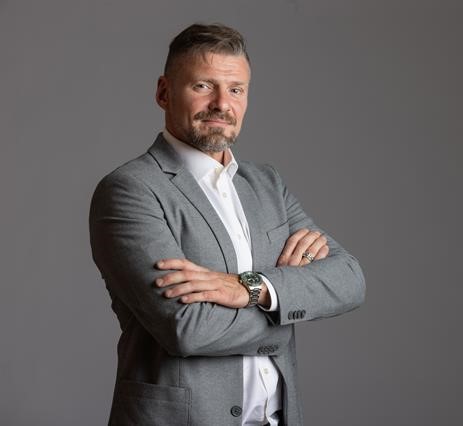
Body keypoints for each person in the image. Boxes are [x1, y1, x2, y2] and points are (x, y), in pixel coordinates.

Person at [89, 23, 365, 426]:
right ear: (164, 92)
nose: (222, 103)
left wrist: (251, 288)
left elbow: (350, 279)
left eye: (236, 89)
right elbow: (188, 329)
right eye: (203, 86)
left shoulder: (267, 185)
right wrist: (287, 306)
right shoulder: (131, 189)